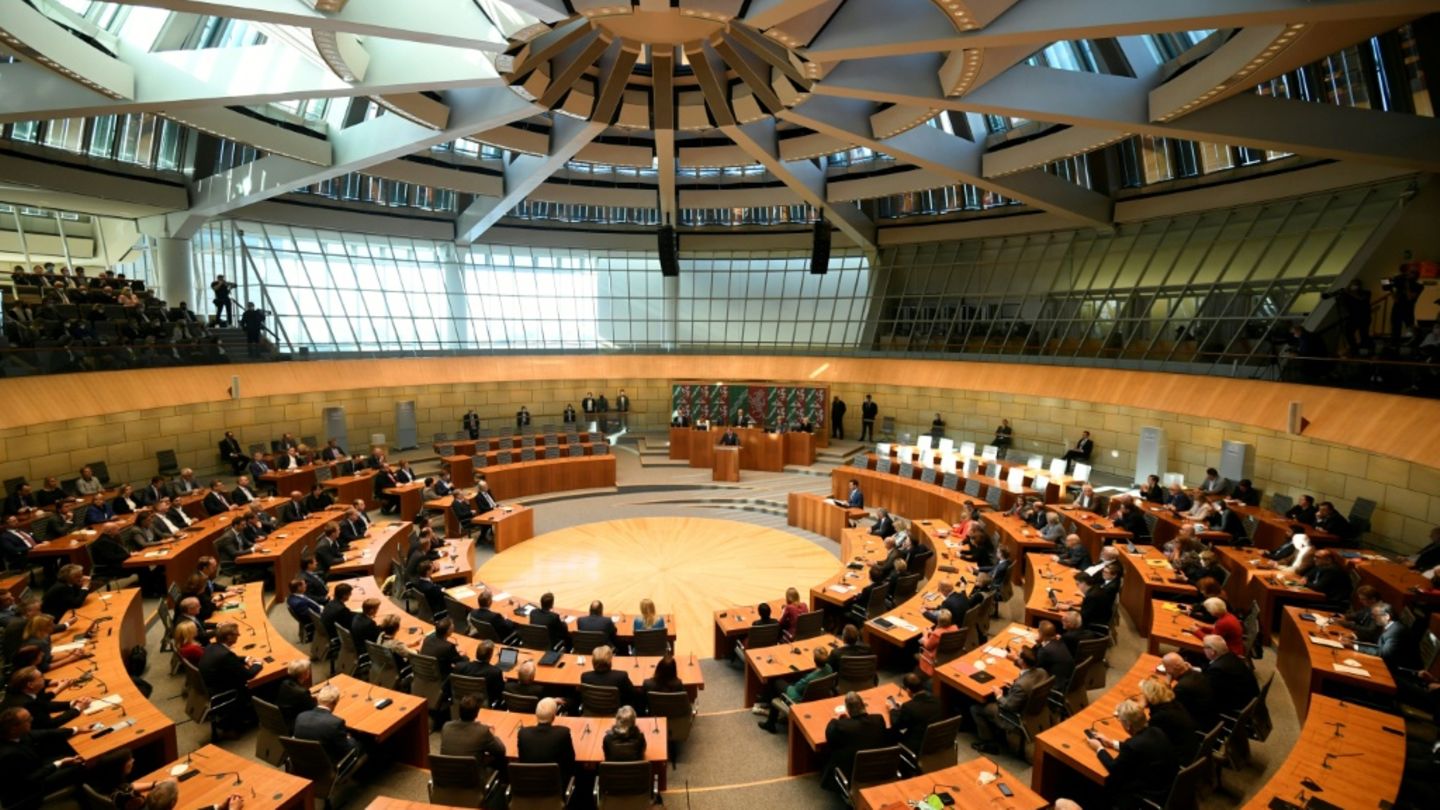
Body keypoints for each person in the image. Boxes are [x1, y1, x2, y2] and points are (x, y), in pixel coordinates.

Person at [1084, 699, 1179, 809]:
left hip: (1147, 795)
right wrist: (1111, 743)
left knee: (1108, 783)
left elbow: (1113, 767)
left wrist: (1099, 748)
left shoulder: (1133, 745)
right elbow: (1139, 750)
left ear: (1128, 726)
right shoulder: (1156, 731)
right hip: (1168, 786)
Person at [0, 706, 86, 810]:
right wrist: (59, 764)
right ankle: (88, 800)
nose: (32, 720)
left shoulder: (15, 734)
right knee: (78, 767)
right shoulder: (8, 754)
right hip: (29, 791)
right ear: (14, 728)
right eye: (28, 719)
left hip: (36, 767)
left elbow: (45, 733)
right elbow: (30, 779)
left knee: (67, 753)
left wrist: (76, 729)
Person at [970, 647, 1046, 754]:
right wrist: (1013, 686)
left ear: (1022, 662)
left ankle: (988, 744)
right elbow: (1029, 687)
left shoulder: (1021, 685)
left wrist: (999, 696)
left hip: (1014, 716)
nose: (1015, 657)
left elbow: (1008, 706)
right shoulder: (1042, 672)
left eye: (1018, 656)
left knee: (975, 708)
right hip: (1033, 709)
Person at [198, 623, 262, 731]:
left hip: (211, 686)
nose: (239, 635)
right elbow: (248, 675)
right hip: (226, 690)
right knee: (261, 685)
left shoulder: (212, 647)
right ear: (228, 637)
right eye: (236, 634)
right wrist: (258, 664)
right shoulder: (225, 655)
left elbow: (230, 660)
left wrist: (245, 659)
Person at [757, 646, 833, 733]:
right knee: (794, 679)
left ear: (814, 660)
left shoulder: (810, 679)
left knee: (775, 680)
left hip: (798, 699)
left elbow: (796, 688)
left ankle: (770, 723)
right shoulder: (829, 668)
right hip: (816, 696)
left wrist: (790, 685)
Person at [823, 691, 888, 787]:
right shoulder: (879, 719)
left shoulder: (841, 725)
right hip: (878, 767)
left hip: (851, 771)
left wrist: (835, 719)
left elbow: (829, 736)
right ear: (864, 705)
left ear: (847, 710)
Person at [1138, 676, 1198, 763]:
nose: (1142, 697)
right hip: (1191, 747)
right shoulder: (1173, 703)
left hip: (1179, 758)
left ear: (1149, 697)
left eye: (1143, 695)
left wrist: (1139, 708)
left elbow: (1144, 738)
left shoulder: (1160, 716)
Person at [294, 684, 360, 763]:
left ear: (318, 699)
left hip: (302, 762)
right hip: (327, 766)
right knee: (363, 742)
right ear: (335, 703)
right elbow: (346, 750)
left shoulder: (301, 716)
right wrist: (350, 738)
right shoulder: (336, 723)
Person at [441, 695, 506, 769]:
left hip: (446, 775)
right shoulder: (483, 732)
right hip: (471, 778)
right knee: (501, 761)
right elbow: (501, 751)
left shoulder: (446, 727)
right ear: (476, 714)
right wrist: (491, 734)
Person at [1199, 634, 1257, 717]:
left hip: (1236, 708)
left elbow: (1209, 693)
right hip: (1248, 701)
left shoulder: (1217, 670)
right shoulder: (1231, 656)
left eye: (1204, 647)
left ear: (1212, 651)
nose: (1203, 650)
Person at [518, 698, 575, 780]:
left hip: (529, 783)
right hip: (556, 783)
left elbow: (522, 760)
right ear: (553, 717)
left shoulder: (523, 733)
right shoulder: (563, 733)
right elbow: (570, 760)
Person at [887, 672, 941, 753]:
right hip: (936, 741)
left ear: (908, 690)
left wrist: (892, 709)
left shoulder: (909, 707)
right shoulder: (937, 700)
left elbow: (897, 725)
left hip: (917, 746)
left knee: (889, 732)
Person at [1161, 652, 1218, 730]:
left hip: (1197, 724)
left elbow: (1169, 706)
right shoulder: (1197, 674)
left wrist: (1166, 684)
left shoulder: (1182, 687)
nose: (1166, 671)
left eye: (1166, 668)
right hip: (1211, 716)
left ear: (1173, 669)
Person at [274, 659, 317, 732]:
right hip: (294, 724)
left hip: (283, 718)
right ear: (304, 674)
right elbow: (313, 709)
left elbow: (297, 699)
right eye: (308, 670)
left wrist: (311, 696)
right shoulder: (302, 692)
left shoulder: (285, 683)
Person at [917, 609, 958, 676]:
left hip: (934, 658)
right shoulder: (955, 628)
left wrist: (925, 634)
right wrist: (931, 632)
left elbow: (927, 646)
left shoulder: (937, 634)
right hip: (948, 655)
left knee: (920, 642)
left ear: (938, 620)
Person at [1034, 620, 1075, 685]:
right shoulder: (1060, 642)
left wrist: (1038, 644)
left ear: (1041, 634)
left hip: (1055, 684)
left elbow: (1035, 666)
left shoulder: (1045, 650)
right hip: (1068, 680)